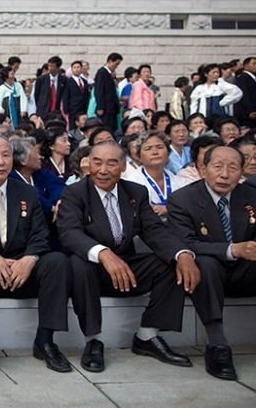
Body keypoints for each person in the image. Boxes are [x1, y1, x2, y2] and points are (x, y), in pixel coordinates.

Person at [57, 141, 200, 373]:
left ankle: (147, 335)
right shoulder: (74, 192)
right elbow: (69, 233)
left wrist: (182, 254)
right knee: (78, 262)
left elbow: (155, 231)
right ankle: (93, 340)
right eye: (97, 162)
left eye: (111, 163)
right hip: (92, 268)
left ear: (123, 166)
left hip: (125, 266)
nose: (103, 170)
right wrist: (103, 253)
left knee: (170, 263)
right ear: (88, 164)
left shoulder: (135, 192)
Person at [0, 134, 72, 374]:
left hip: (22, 271)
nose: (0, 162)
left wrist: (29, 259)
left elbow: (41, 234)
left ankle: (46, 340)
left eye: (6, 155)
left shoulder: (27, 193)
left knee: (57, 262)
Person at [167, 146, 256, 380]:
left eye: (233, 168)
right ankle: (217, 346)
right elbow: (185, 242)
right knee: (203, 263)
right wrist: (232, 250)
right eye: (218, 167)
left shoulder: (251, 196)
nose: (225, 174)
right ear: (202, 169)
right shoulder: (183, 199)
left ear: (242, 171)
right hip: (207, 273)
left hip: (246, 271)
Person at [125, 130, 185, 220]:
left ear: (168, 153)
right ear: (139, 156)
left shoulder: (180, 181)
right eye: (148, 148)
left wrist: (168, 209)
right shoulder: (131, 183)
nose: (155, 152)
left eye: (160, 147)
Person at [94, 53, 123, 132]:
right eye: (116, 64)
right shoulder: (102, 72)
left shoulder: (110, 74)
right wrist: (100, 107)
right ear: (110, 61)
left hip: (111, 107)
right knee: (106, 129)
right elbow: (99, 90)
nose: (116, 66)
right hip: (105, 108)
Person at [65, 60, 91, 128]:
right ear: (72, 69)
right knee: (73, 127)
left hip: (84, 108)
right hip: (73, 108)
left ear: (81, 68)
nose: (76, 69)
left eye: (78, 67)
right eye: (74, 67)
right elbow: (65, 96)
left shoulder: (84, 81)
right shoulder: (68, 82)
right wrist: (66, 109)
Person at [235, 56, 256, 129]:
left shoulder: (253, 77)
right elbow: (244, 95)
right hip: (247, 114)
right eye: (254, 64)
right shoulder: (243, 77)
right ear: (246, 66)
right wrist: (250, 111)